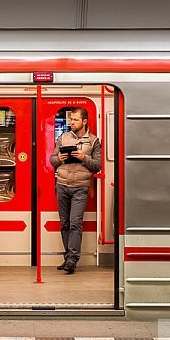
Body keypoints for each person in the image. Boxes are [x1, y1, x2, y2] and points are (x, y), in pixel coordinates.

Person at [49, 107, 102, 274]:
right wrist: (59, 159)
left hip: (80, 188)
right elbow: (52, 160)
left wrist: (83, 157)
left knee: (75, 223)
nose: (71, 122)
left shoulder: (93, 141)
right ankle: (68, 258)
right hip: (62, 186)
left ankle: (72, 259)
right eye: (71, 119)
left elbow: (97, 165)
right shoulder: (63, 137)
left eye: (75, 120)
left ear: (84, 122)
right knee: (64, 224)